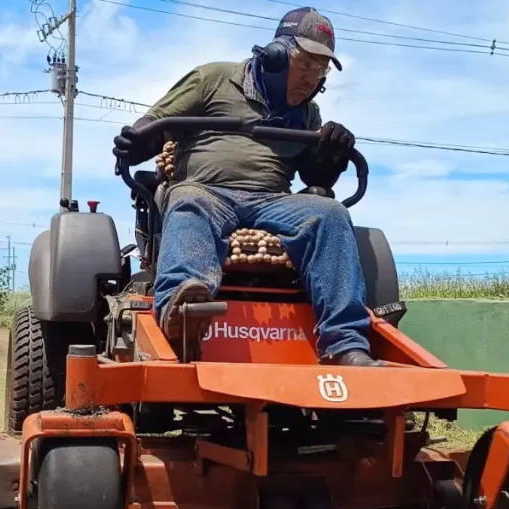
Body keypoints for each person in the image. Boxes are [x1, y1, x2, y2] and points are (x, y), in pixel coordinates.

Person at [113, 7, 383, 367]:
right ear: (275, 56)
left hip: (271, 201)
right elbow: (155, 124)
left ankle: (346, 345)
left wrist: (332, 153)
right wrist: (137, 142)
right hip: (206, 191)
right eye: (305, 65)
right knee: (189, 201)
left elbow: (314, 179)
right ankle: (183, 313)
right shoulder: (212, 78)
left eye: (320, 72)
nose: (311, 79)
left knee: (330, 213)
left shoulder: (308, 115)